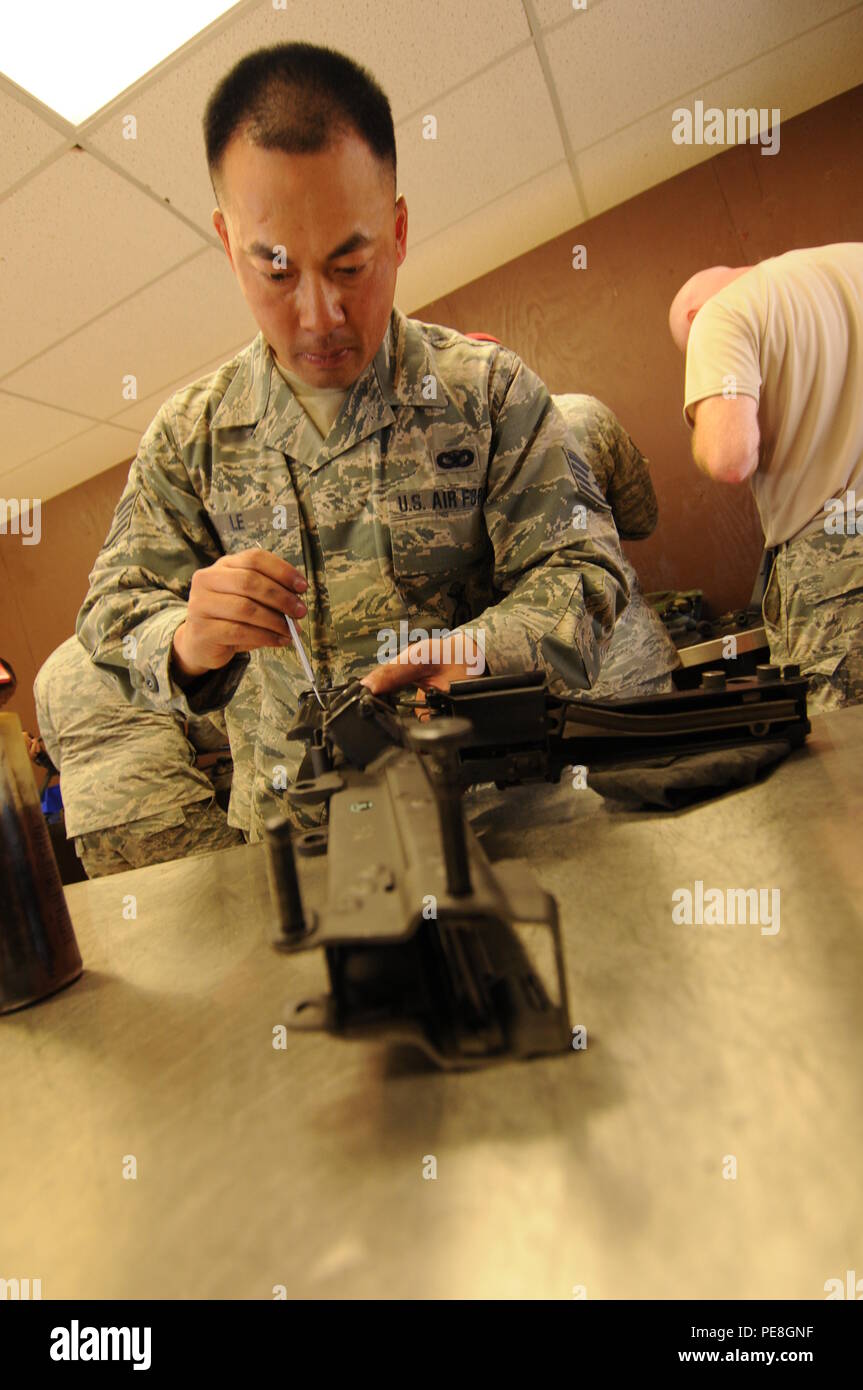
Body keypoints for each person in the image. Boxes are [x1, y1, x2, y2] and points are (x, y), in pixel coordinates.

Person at [76, 42, 629, 841]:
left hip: (494, 817)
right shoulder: (187, 440)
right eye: (275, 271)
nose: (319, 315)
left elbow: (583, 569)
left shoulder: (488, 393)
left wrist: (482, 651)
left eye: (349, 264)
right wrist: (189, 641)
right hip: (297, 848)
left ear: (397, 231)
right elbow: (112, 619)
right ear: (229, 248)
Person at [668, 243, 863, 710]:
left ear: (695, 318)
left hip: (839, 562)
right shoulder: (850, 262)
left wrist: (704, 420)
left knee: (849, 764)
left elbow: (728, 458)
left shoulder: (720, 315)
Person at [34, 636, 243, 878]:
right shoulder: (146, 638)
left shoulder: (49, 671)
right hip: (161, 801)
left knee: (135, 914)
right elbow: (200, 718)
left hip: (89, 825)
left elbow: (56, 751)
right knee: (232, 888)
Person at [553, 394, 680, 698]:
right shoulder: (582, 414)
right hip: (634, 663)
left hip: (531, 692)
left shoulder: (437, 456)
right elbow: (641, 519)